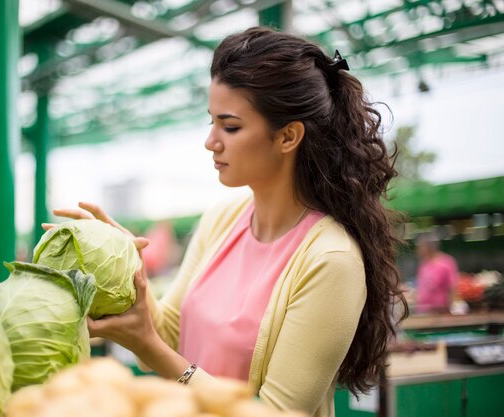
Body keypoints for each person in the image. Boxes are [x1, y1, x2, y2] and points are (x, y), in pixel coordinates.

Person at [45, 26, 408, 417]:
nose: (211, 141)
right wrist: (123, 259)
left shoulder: (331, 260)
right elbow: (169, 334)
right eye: (211, 122)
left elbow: (277, 413)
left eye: (230, 126)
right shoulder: (223, 218)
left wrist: (150, 348)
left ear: (288, 137)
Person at [415, 232, 459, 314]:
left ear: (428, 247)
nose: (418, 249)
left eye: (420, 246)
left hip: (440, 311)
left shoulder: (447, 262)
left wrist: (449, 309)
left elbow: (452, 288)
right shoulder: (423, 263)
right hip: (423, 310)